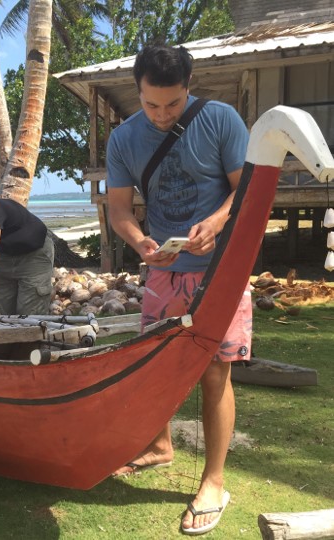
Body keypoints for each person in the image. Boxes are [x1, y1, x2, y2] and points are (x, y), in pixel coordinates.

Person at [106, 44, 251, 535]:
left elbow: (246, 187)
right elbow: (120, 210)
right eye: (151, 105)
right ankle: (159, 446)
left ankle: (214, 480)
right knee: (156, 365)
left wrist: (216, 219)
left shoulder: (220, 119)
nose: (163, 114)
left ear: (188, 87)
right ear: (138, 91)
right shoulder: (123, 138)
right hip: (163, 270)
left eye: (172, 103)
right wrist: (140, 242)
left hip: (220, 269)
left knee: (214, 371)